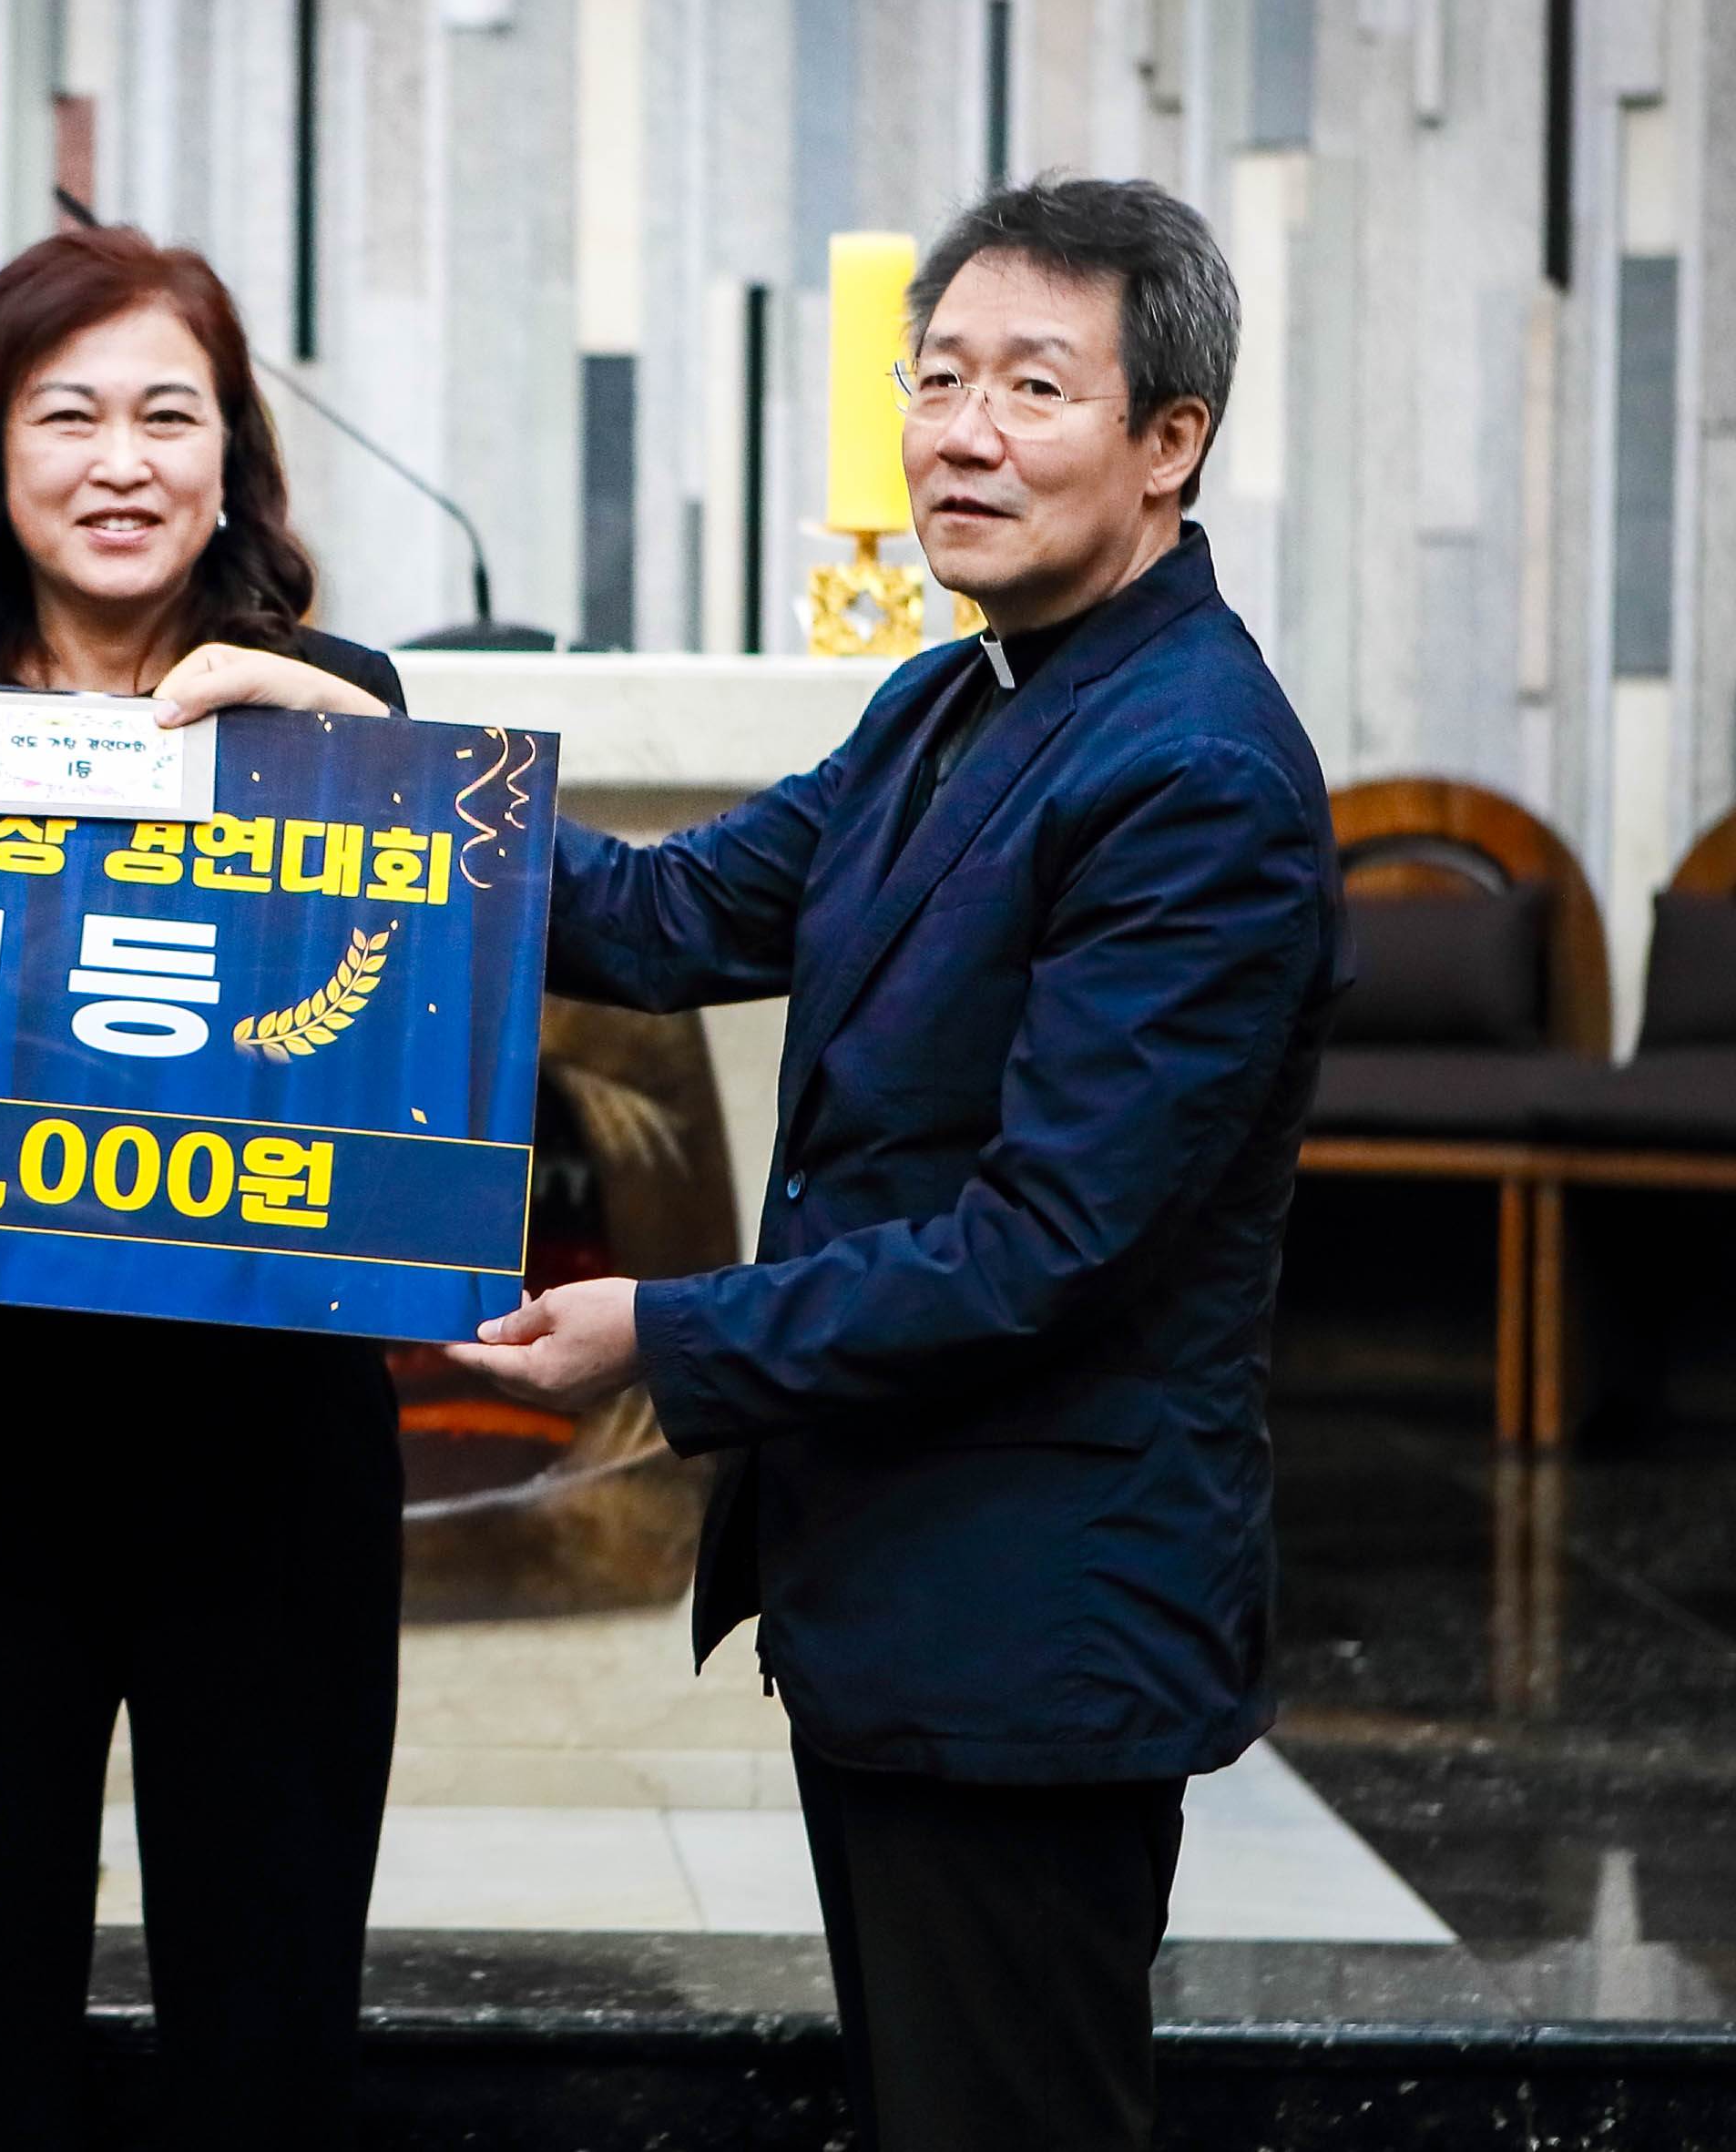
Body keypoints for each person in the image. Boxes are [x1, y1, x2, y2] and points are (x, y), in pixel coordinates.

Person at [437, 178, 1343, 2152]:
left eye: (1034, 385)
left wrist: (662, 1330)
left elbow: (1044, 1242)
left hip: (1036, 1616)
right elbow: (666, 913)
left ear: (1168, 440)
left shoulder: (1192, 771)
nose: (962, 432)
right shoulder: (956, 695)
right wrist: (370, 769)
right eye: (937, 380)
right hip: (909, 1595)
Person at [0, 224, 410, 2149]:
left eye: (169, 415)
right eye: (65, 413)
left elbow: (403, 1046)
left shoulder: (334, 703)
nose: (119, 460)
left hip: (270, 1448)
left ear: (230, 456)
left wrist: (375, 772)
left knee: (270, 2016)